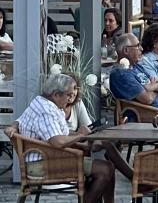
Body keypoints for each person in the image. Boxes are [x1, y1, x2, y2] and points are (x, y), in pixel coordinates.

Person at [15, 74, 118, 203]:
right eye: (68, 94)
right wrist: (80, 136)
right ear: (56, 94)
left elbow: (57, 135)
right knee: (105, 169)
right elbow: (57, 142)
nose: (71, 98)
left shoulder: (42, 102)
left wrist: (78, 139)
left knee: (105, 167)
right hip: (41, 165)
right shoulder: (47, 111)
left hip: (46, 158)